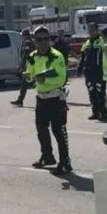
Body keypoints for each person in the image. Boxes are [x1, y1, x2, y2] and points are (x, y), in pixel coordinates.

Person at [26, 27, 72, 175]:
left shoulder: (56, 56)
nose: (44, 42)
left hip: (56, 98)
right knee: (41, 129)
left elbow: (61, 78)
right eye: (40, 39)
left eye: (46, 38)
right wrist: (28, 76)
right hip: (41, 98)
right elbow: (31, 75)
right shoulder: (32, 56)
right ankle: (47, 156)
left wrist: (44, 78)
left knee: (59, 131)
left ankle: (65, 162)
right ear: (34, 41)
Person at [77, 22, 105, 120]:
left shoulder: (102, 42)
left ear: (97, 31)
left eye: (93, 30)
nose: (91, 32)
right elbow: (82, 57)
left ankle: (103, 113)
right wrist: (79, 69)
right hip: (89, 73)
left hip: (99, 72)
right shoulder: (87, 43)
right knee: (91, 92)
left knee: (100, 92)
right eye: (90, 31)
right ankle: (95, 113)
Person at [11, 29, 36, 106]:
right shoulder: (29, 41)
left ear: (25, 35)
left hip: (28, 66)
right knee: (26, 83)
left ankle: (20, 100)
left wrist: (21, 66)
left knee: (29, 83)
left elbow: (26, 55)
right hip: (29, 66)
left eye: (22, 35)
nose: (21, 37)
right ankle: (20, 100)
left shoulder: (27, 43)